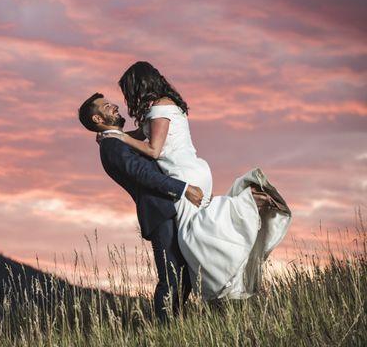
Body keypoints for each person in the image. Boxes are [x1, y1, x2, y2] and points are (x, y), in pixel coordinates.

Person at [97, 61, 292, 300]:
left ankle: (249, 201)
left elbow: (153, 150)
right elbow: (142, 135)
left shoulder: (158, 109)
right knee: (197, 232)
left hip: (184, 176)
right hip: (195, 170)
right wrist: (115, 134)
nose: (127, 99)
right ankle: (247, 204)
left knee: (194, 236)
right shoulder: (166, 106)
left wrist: (120, 138)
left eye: (129, 90)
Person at [78, 93, 271, 321]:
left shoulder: (113, 140)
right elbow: (143, 174)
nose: (115, 107)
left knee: (185, 273)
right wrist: (183, 188)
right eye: (107, 107)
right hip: (160, 214)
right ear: (98, 119)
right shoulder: (110, 146)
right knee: (171, 278)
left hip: (169, 210)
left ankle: (180, 321)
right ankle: (165, 329)